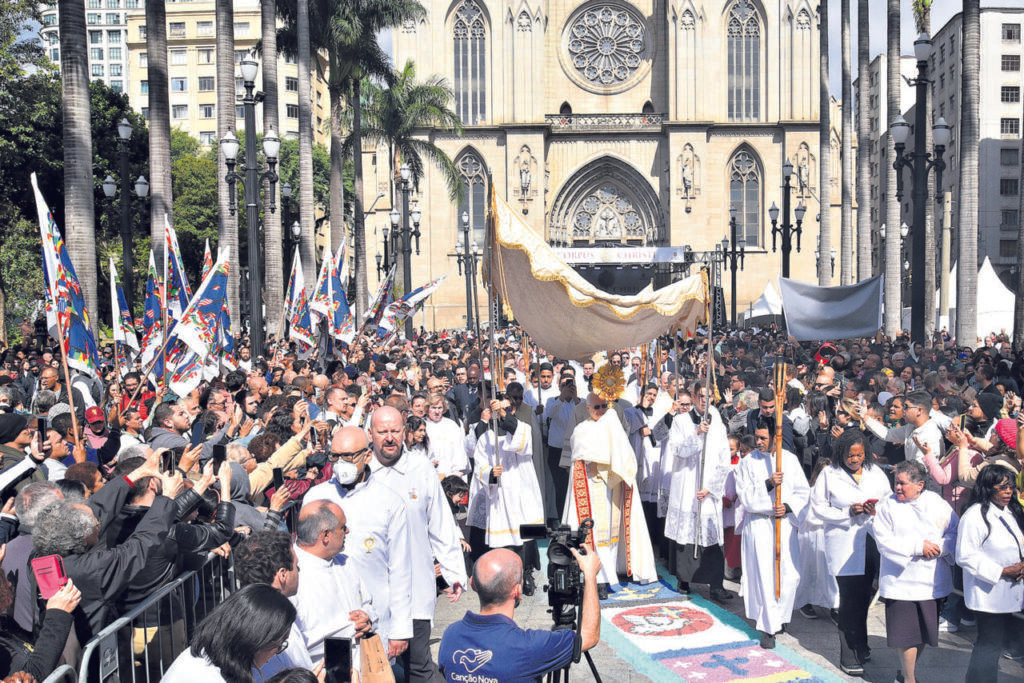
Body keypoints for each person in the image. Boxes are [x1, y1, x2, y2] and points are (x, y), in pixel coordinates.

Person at [367, 406, 467, 682]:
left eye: (395, 431)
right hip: (370, 589)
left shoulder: (420, 467)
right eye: (382, 431)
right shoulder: (361, 472)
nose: (389, 438)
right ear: (370, 433)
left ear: (404, 432)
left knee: (418, 664)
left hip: (414, 586)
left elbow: (440, 522)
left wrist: (453, 571)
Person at [302, 426, 414, 658]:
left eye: (349, 456)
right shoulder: (315, 497)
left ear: (368, 455)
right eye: (335, 456)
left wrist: (400, 629)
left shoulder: (389, 501)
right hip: (326, 623)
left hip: (375, 620)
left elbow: (401, 568)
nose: (341, 463)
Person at [438, 545, 602, 682]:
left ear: (473, 583)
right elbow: (588, 635)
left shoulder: (451, 635)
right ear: (517, 591)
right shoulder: (530, 647)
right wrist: (589, 575)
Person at [810, 430, 892, 675]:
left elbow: (888, 503)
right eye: (850, 455)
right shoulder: (829, 474)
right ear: (840, 453)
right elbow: (818, 508)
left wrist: (872, 508)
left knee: (865, 596)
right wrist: (848, 513)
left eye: (859, 455)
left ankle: (861, 643)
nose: (855, 460)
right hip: (844, 543)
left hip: (871, 541)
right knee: (848, 599)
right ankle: (848, 653)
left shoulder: (875, 473)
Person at [872, 460, 958, 683]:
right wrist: (918, 547)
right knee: (906, 634)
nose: (897, 488)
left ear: (920, 485)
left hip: (931, 580)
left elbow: (955, 533)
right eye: (895, 483)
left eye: (902, 483)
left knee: (922, 633)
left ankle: (905, 673)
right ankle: (910, 679)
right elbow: (884, 541)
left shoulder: (937, 503)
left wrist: (939, 548)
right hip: (901, 580)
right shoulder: (886, 506)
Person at [562, 391, 657, 591]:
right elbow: (582, 453)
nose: (601, 411)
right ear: (588, 409)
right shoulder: (582, 429)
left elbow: (625, 455)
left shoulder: (614, 427)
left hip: (612, 488)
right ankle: (599, 577)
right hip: (591, 487)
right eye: (596, 407)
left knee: (614, 533)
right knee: (597, 533)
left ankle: (613, 569)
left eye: (605, 406)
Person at [735, 419, 810, 649]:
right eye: (756, 437)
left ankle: (780, 616)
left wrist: (787, 507)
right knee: (766, 577)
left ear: (775, 438)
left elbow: (803, 492)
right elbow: (745, 497)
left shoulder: (789, 460)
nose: (758, 442)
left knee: (789, 576)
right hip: (759, 524)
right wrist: (768, 483)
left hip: (783, 523)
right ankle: (768, 627)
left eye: (763, 438)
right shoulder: (747, 462)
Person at [467, 390, 544, 593]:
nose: (503, 414)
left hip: (523, 491)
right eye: (499, 410)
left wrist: (503, 413)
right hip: (500, 495)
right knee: (506, 541)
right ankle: (506, 581)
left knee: (526, 537)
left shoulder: (523, 429)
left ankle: (526, 574)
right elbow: (479, 466)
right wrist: (490, 473)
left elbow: (521, 444)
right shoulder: (487, 438)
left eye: (507, 410)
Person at [662, 381, 733, 602]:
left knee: (711, 535)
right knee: (687, 534)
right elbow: (676, 450)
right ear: (693, 397)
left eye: (709, 396)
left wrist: (711, 487)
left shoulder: (717, 420)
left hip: (708, 486)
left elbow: (723, 457)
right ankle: (684, 579)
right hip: (686, 485)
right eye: (701, 396)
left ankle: (716, 585)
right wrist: (696, 433)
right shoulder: (681, 421)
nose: (705, 401)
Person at [955, 465, 1024, 682]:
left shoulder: (1010, 512)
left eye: (1011, 487)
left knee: (999, 644)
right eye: (1002, 487)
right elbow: (964, 555)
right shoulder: (974, 516)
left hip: (1011, 591)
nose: (1008, 492)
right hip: (989, 594)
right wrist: (1001, 571)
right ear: (987, 487)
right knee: (989, 644)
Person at [162, 584, 297, 683]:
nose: (276, 653)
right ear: (257, 638)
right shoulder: (208, 676)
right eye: (279, 644)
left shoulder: (204, 655)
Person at [234, 530, 316, 679]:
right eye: (296, 565)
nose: (299, 570)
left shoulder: (245, 614)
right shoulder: (264, 630)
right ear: (283, 574)